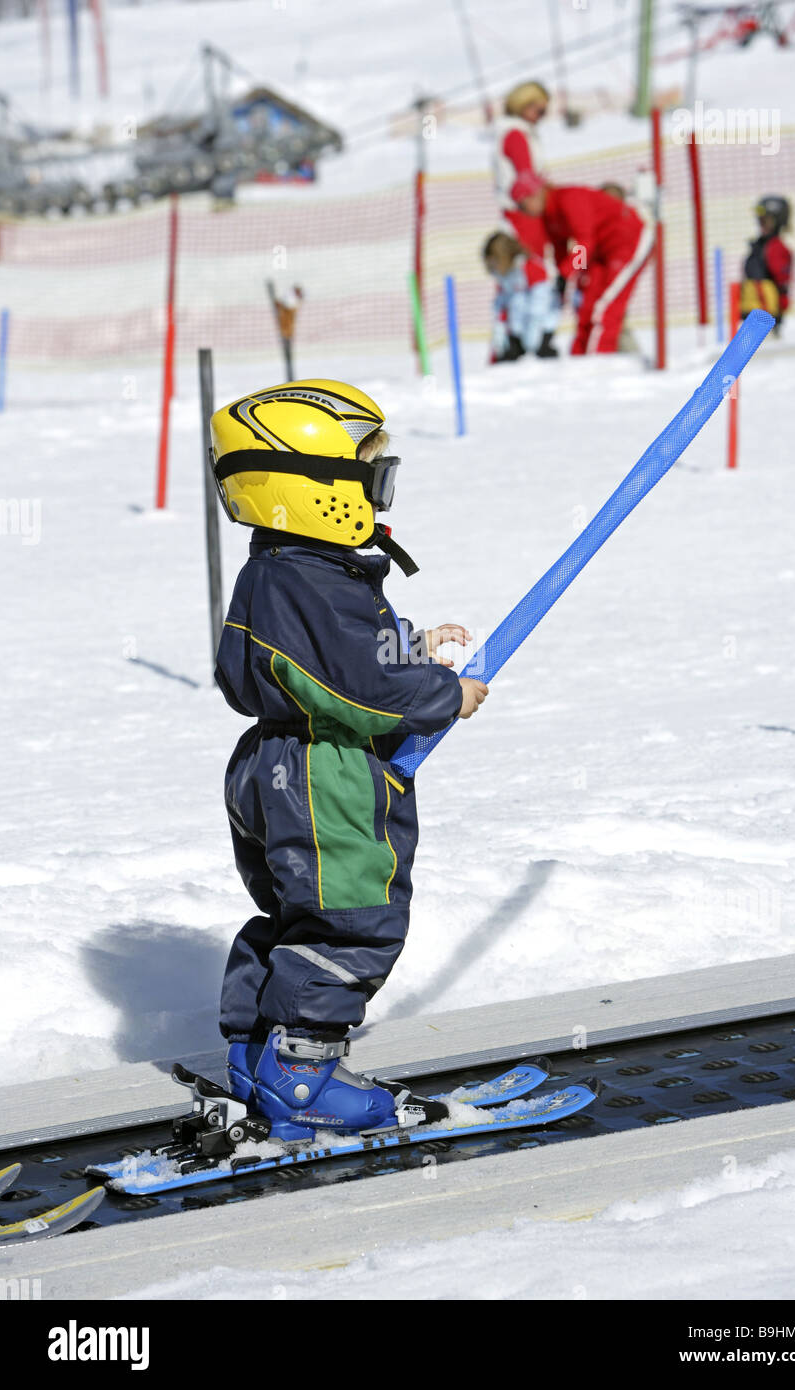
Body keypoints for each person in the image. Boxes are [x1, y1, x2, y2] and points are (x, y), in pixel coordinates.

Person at [208, 379, 489, 1138]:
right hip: (323, 773)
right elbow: (357, 689)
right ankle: (302, 1076)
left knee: (303, 913)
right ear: (312, 488)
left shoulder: (291, 569)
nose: (380, 489)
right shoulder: (307, 578)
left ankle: (258, 1053)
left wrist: (413, 649)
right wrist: (439, 693)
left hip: (277, 763)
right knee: (353, 921)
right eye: (370, 473)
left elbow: (336, 664)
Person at [512, 171, 654, 355]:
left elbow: (584, 242)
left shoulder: (569, 199)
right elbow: (560, 250)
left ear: (535, 194)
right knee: (586, 309)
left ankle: (597, 363)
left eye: (523, 205)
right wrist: (562, 278)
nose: (524, 211)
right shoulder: (549, 216)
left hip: (628, 242)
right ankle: (579, 361)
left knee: (604, 309)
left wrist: (567, 272)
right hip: (599, 254)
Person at [494, 80, 551, 262]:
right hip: (524, 214)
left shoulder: (518, 132)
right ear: (524, 106)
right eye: (539, 111)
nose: (541, 117)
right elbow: (525, 177)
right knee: (532, 267)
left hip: (521, 211)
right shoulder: (516, 135)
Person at [482, 230, 559, 361]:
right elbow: (503, 303)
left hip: (540, 328)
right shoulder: (506, 275)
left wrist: (533, 337)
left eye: (495, 262)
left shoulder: (530, 267)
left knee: (543, 357)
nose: (493, 267)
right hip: (518, 329)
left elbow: (540, 303)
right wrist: (500, 328)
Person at [741, 195, 793, 331]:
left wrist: (779, 310)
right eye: (760, 221)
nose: (761, 225)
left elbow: (782, 281)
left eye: (764, 221)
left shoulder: (776, 248)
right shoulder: (759, 245)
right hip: (751, 313)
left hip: (766, 316)